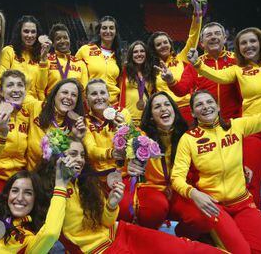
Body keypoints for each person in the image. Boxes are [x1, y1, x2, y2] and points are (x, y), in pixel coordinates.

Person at [37, 134, 223, 253]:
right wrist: (61, 184)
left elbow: (106, 222)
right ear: (56, 156)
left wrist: (111, 205)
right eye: (72, 154)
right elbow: (51, 233)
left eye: (81, 155)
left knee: (183, 248)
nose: (79, 159)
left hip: (121, 232)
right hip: (101, 251)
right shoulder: (46, 190)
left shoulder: (84, 182)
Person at [172, 90, 261, 253]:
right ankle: (201, 237)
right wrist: (194, 194)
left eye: (209, 102)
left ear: (218, 106)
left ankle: (209, 238)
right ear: (192, 112)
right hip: (214, 206)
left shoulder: (236, 126)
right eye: (199, 104)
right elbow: (177, 178)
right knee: (242, 252)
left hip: (242, 202)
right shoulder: (188, 139)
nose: (205, 107)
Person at [187, 27, 261, 210]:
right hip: (255, 131)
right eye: (243, 43)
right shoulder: (238, 69)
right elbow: (218, 76)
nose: (248, 46)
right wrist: (197, 63)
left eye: (252, 41)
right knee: (250, 181)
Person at [127, 92, 192, 230]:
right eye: (157, 106)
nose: (163, 108)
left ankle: (182, 237)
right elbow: (125, 157)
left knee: (198, 216)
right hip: (151, 188)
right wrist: (130, 165)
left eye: (167, 104)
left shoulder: (187, 134)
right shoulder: (140, 136)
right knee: (155, 208)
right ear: (150, 116)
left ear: (174, 110)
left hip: (178, 188)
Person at [160, 22, 242, 121]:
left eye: (217, 33)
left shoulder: (238, 60)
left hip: (236, 119)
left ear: (224, 39)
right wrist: (171, 80)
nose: (213, 37)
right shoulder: (194, 64)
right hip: (207, 121)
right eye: (209, 35)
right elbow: (181, 90)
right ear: (202, 43)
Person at [82, 79, 132, 221]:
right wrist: (110, 153)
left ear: (109, 96)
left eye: (102, 92)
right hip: (97, 178)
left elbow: (134, 143)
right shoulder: (84, 121)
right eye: (94, 94)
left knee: (126, 210)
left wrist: (123, 130)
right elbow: (90, 150)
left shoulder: (123, 113)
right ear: (87, 100)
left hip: (122, 175)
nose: (99, 97)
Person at [147, 2, 202, 123]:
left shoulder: (182, 58)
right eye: (158, 44)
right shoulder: (151, 68)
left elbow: (194, 35)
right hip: (166, 114)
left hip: (187, 109)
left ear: (170, 44)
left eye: (165, 42)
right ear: (154, 48)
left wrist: (197, 12)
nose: (163, 46)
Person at [27, 78, 86, 171]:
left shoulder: (77, 125)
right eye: (65, 92)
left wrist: (78, 138)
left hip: (58, 179)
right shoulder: (36, 107)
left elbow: (74, 163)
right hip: (31, 177)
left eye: (74, 95)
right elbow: (17, 97)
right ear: (54, 94)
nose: (69, 97)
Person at [76, 16, 123, 104]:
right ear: (99, 32)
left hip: (112, 104)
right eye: (104, 28)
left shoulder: (119, 56)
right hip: (91, 103)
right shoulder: (85, 50)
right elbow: (74, 73)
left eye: (111, 28)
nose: (108, 31)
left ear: (116, 32)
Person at [1, 15, 48, 100]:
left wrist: (44, 59)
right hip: (13, 101)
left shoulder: (40, 56)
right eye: (26, 31)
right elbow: (0, 81)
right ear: (19, 33)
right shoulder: (8, 51)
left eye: (33, 32)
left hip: (33, 103)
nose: (30, 35)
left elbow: (41, 87)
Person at [42, 23, 88, 95]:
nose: (63, 41)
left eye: (65, 38)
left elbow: (84, 91)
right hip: (51, 104)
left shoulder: (80, 63)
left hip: (73, 104)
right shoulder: (46, 61)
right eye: (58, 38)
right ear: (53, 43)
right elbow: (40, 88)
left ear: (69, 40)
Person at [118, 41, 156, 125]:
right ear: (131, 55)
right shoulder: (123, 71)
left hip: (146, 121)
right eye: (135, 52)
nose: (139, 54)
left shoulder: (150, 73)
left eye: (142, 51)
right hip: (127, 119)